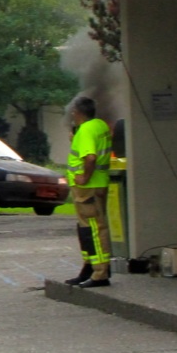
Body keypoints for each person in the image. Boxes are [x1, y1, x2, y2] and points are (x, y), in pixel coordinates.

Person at [64, 96, 114, 288]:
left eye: (73, 112)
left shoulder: (85, 130)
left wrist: (84, 177)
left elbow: (90, 157)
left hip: (87, 188)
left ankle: (100, 273)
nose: (72, 115)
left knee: (93, 229)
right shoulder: (99, 126)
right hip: (99, 184)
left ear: (78, 112)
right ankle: (90, 267)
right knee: (86, 228)